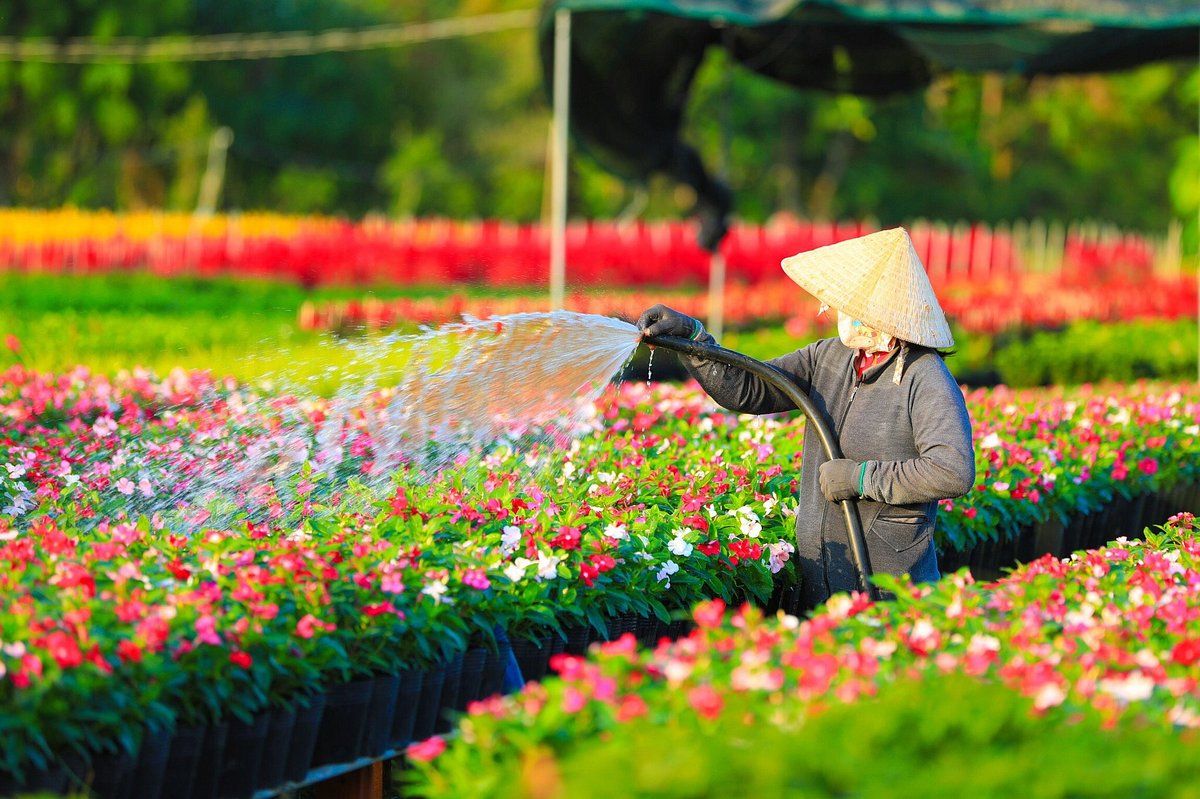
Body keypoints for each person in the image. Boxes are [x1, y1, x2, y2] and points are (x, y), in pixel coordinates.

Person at [637, 227, 975, 610]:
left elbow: (952, 469)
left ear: (883, 313)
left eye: (855, 304)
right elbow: (748, 387)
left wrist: (861, 478)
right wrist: (694, 338)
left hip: (890, 583)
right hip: (821, 571)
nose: (842, 312)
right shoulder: (829, 357)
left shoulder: (924, 375)